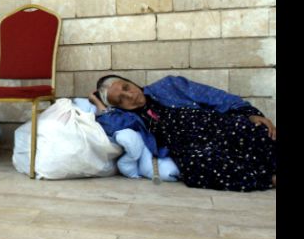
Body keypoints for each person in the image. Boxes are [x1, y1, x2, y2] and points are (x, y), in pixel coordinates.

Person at [88, 74, 276, 192]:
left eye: (127, 88)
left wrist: (250, 114)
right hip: (189, 146)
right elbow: (109, 124)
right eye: (121, 99)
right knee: (197, 166)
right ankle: (269, 179)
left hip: (214, 125)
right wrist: (99, 105)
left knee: (253, 132)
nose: (130, 96)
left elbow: (215, 96)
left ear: (131, 82)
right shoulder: (130, 118)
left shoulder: (169, 85)